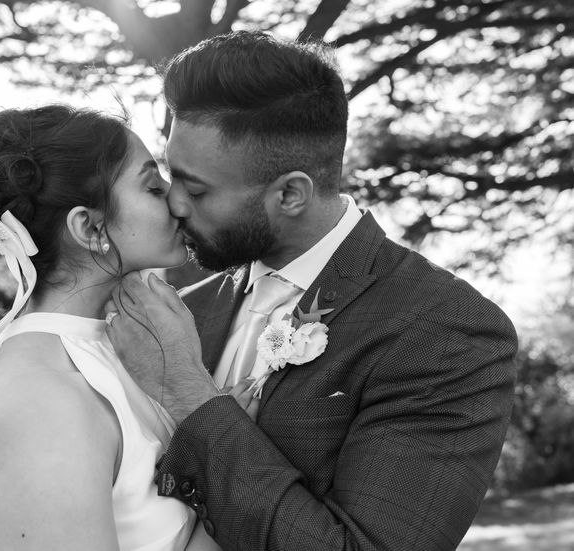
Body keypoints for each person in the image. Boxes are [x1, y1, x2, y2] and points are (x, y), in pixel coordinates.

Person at [104, 32, 519, 551]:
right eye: (172, 177)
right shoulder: (183, 312)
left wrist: (189, 395)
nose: (175, 204)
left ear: (291, 194)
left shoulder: (445, 331)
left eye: (198, 189)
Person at [0, 105, 225, 551]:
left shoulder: (126, 345)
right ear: (89, 226)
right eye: (152, 186)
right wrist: (225, 459)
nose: (177, 201)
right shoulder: (38, 397)